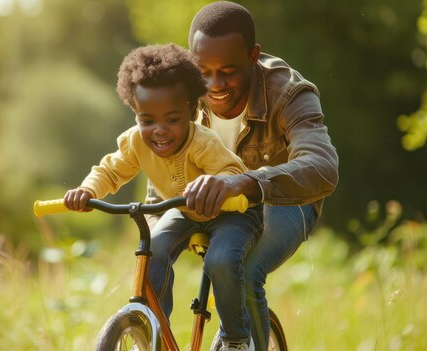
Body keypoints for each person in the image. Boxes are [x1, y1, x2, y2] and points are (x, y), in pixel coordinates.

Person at [145, 2, 339, 351]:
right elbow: (162, 158)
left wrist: (247, 181)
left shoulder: (290, 92)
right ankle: (151, 339)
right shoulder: (184, 91)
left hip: (283, 202)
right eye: (204, 71)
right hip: (214, 206)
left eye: (228, 71)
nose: (215, 84)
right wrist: (158, 218)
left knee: (246, 271)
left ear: (253, 56)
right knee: (151, 249)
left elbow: (322, 166)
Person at [63, 44, 263, 350]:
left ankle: (236, 338)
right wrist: (87, 190)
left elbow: (233, 173)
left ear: (192, 112)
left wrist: (216, 185)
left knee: (221, 260)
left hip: (231, 213)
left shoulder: (202, 142)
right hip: (183, 211)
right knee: (153, 247)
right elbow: (110, 171)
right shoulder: (134, 143)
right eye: (147, 121)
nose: (159, 131)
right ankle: (154, 333)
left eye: (172, 119)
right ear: (135, 115)